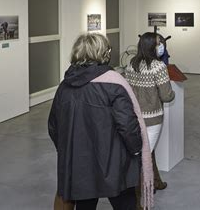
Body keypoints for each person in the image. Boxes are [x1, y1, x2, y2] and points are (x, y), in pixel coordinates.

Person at [48, 33, 154, 210]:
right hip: (114, 163)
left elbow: (53, 126)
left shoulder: (64, 86)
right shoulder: (114, 83)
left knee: (85, 205)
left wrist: (70, 151)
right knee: (125, 204)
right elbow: (128, 126)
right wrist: (136, 150)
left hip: (80, 165)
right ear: (103, 53)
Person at [124, 32, 175, 206]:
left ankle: (157, 182)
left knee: (147, 151)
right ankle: (137, 201)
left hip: (134, 116)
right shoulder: (158, 66)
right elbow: (167, 95)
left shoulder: (131, 64)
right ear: (152, 46)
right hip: (152, 119)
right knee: (143, 157)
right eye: (159, 43)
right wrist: (173, 92)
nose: (161, 46)